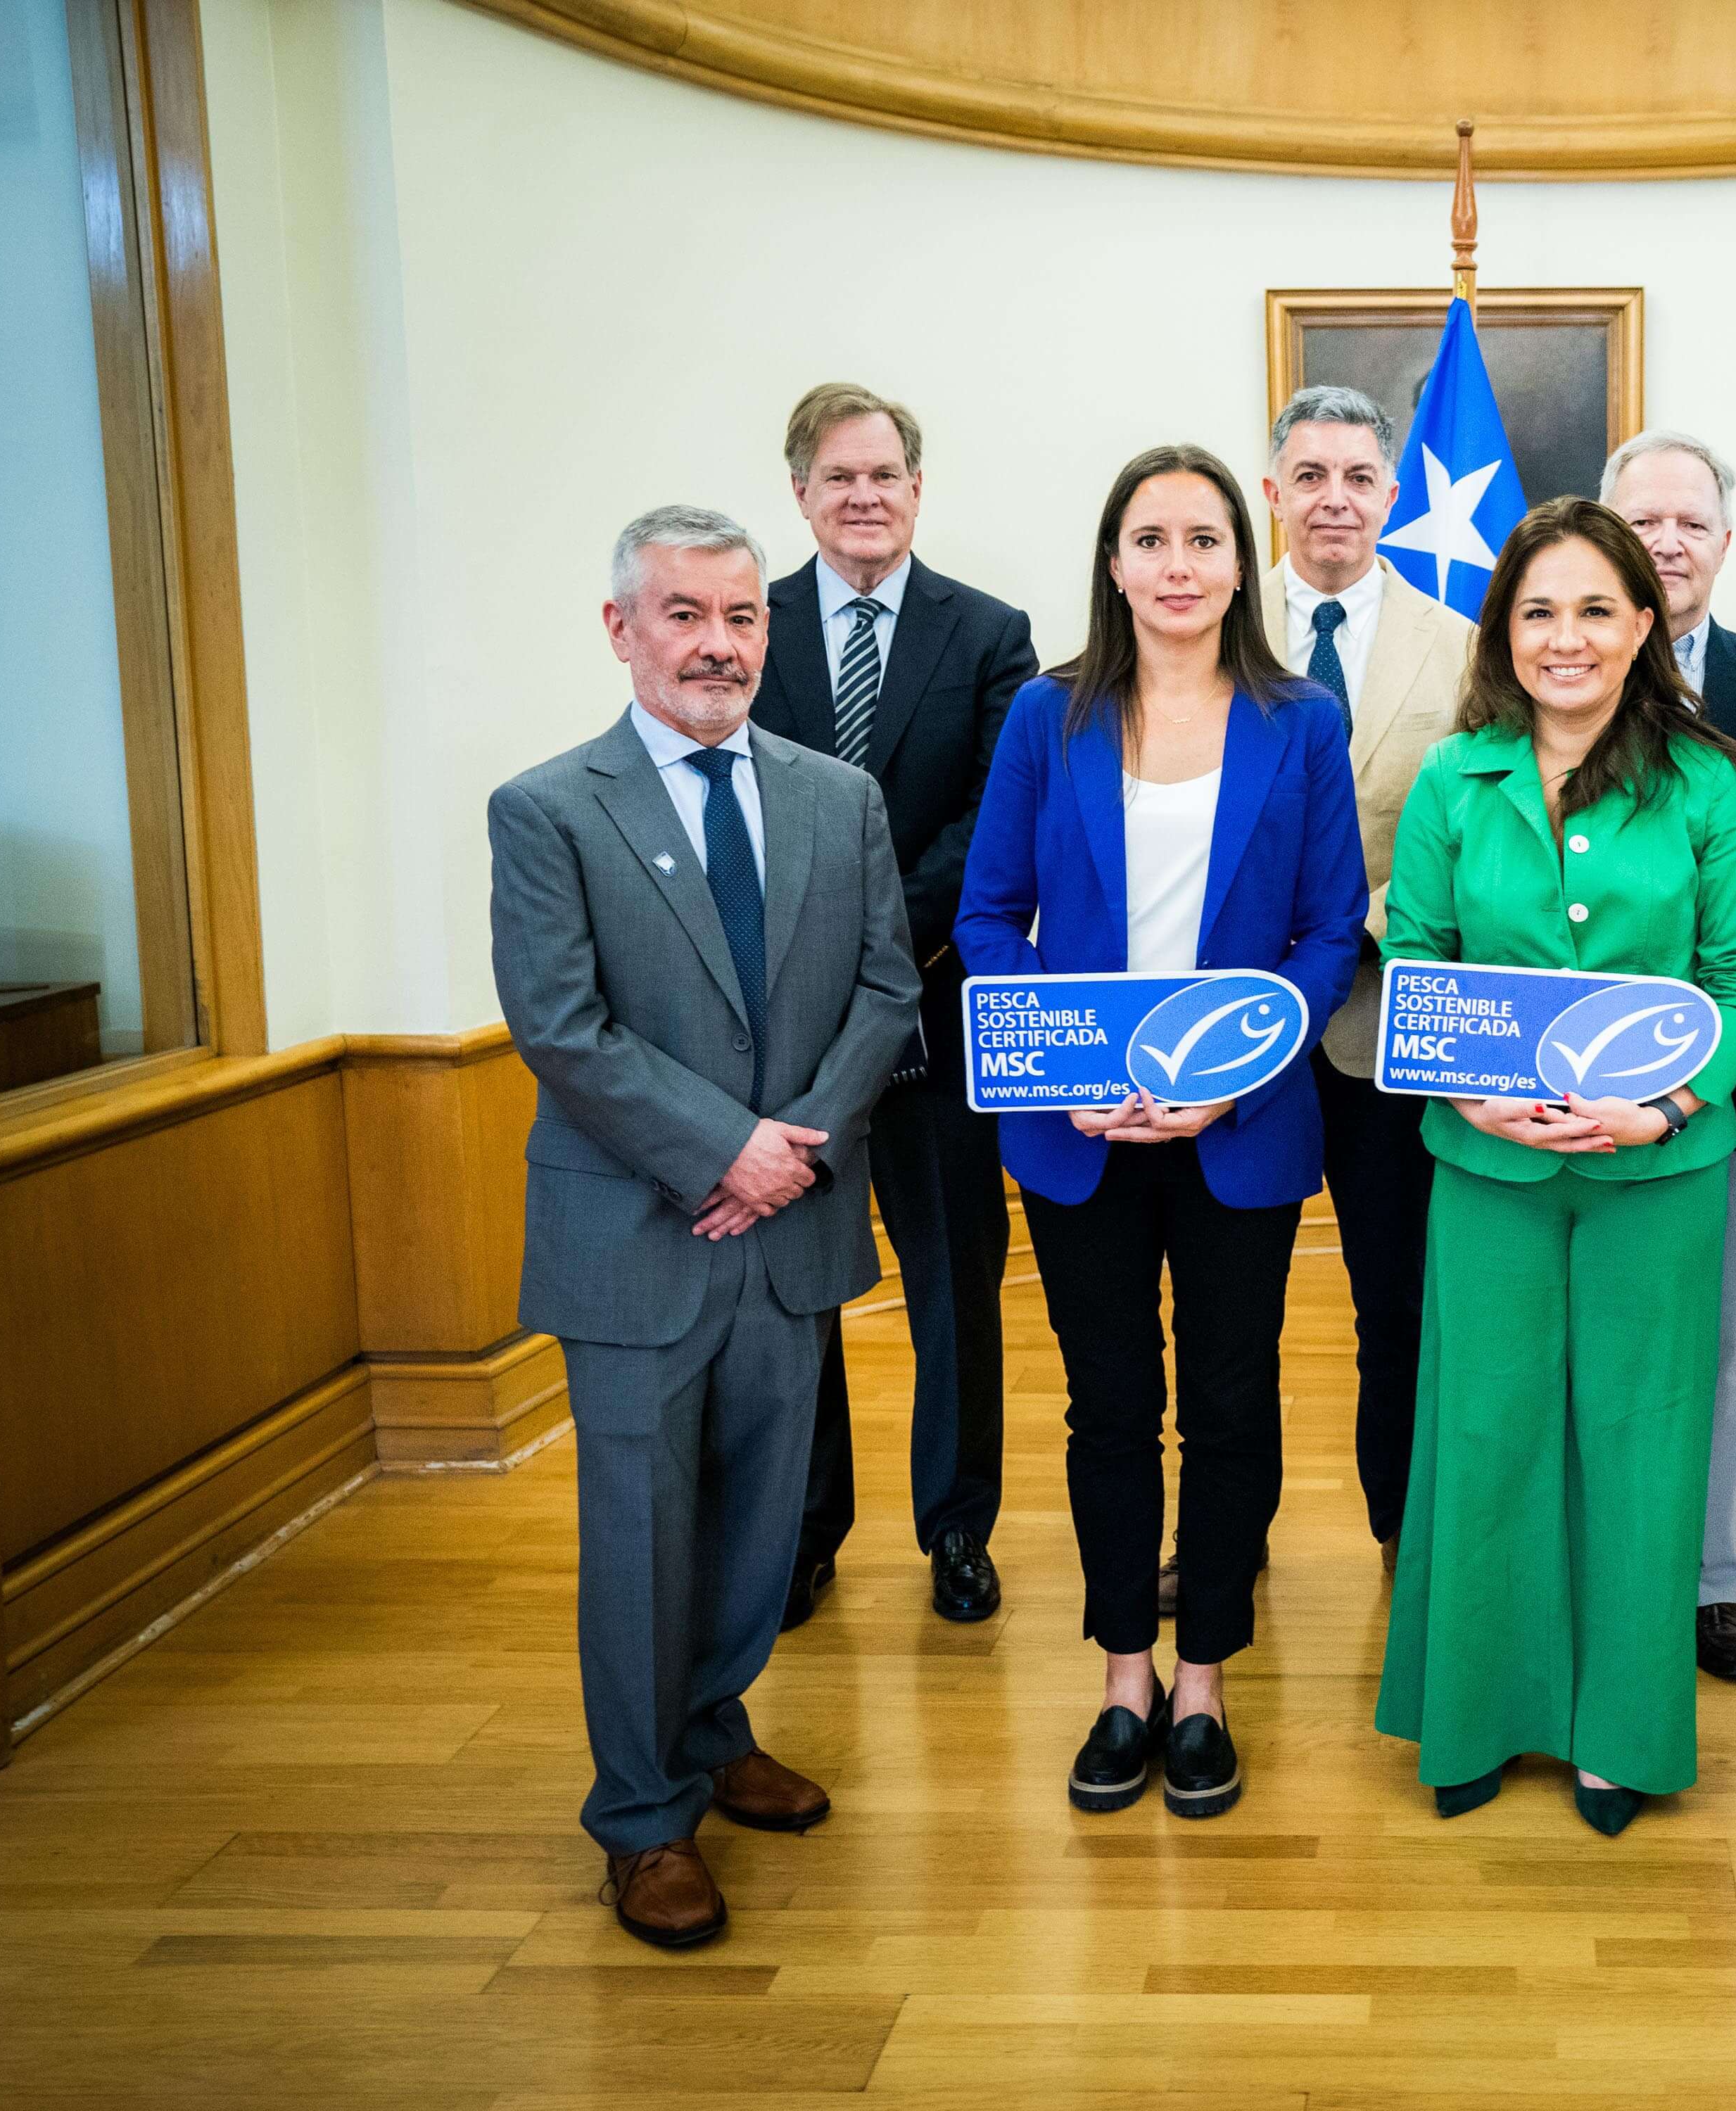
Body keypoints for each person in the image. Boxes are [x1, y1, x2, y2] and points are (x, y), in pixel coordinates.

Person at [488, 505, 921, 1947]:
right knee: (639, 1531)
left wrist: (786, 1154)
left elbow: (886, 997)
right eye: (684, 614)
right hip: (640, 1238)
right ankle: (640, 1818)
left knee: (756, 1520)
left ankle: (716, 1730)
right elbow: (562, 1028)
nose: (718, 644)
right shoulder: (548, 810)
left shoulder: (834, 797)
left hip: (785, 1230)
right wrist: (723, 1150)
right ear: (623, 629)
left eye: (741, 618)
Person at [953, 444, 1367, 1820]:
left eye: (1203, 538)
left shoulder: (1301, 719)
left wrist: (1236, 1075)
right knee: (1111, 1406)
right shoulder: (1045, 716)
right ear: (1114, 563)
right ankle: (1123, 1673)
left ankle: (1205, 1678)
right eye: (1152, 539)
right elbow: (985, 919)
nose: (1179, 565)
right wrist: (1049, 1070)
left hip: (1237, 1127)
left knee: (1235, 1407)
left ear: (1241, 562)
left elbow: (1323, 933)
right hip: (1081, 1133)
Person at [1375, 497, 1736, 1837]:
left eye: (1597, 608)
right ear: (1505, 629)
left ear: (1646, 623)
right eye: (1539, 609)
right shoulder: (1453, 778)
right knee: (1486, 1437)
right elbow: (1413, 965)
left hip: (1655, 1175)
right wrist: (1472, 1093)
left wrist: (1666, 1106)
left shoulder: (1709, 780)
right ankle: (1477, 1715)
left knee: (1639, 1445)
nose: (1567, 636)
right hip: (1484, 1169)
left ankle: (1623, 1732)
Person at [752, 382, 1039, 1632]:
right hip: (789, 1028)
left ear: (918, 490)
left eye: (885, 475)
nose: (864, 496)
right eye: (838, 477)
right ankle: (805, 1534)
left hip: (942, 1011)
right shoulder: (745, 629)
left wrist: (883, 932)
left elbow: (997, 821)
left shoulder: (989, 633)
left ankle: (957, 1529)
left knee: (953, 1292)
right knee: (802, 1289)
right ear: (802, 494)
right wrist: (826, 954)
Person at [1254, 385, 1476, 1587]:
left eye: (1358, 477)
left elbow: (1478, 840)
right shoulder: (1217, 634)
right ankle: (1226, 1540)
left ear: (1392, 499)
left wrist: (1352, 936)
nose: (1334, 497)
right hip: (1234, 1036)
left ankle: (1408, 1536)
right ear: (1275, 489)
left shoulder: (1465, 644)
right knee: (1231, 1315)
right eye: (1311, 474)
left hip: (1385, 1028)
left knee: (1397, 1307)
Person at [1599, 429, 1736, 1685]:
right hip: (1552, 1099)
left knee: (1712, 1352)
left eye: (1691, 522)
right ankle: (1599, 1570)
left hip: (1720, 1091)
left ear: (1727, 542)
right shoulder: (1546, 671)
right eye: (1644, 522)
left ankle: (1710, 1584)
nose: (1669, 542)